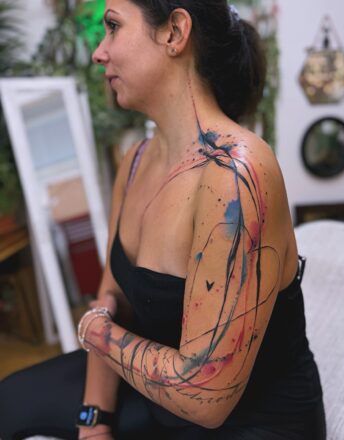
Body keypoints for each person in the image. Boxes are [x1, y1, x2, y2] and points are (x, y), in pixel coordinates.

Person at [0, 1, 326, 439]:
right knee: (9, 402)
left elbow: (205, 395)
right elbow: (111, 296)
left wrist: (97, 333)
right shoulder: (136, 160)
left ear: (174, 32)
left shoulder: (236, 174)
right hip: (159, 399)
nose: (98, 52)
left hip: (251, 422)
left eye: (113, 26)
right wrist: (96, 420)